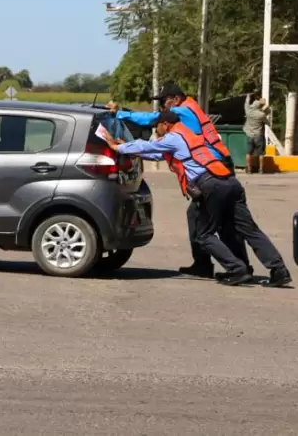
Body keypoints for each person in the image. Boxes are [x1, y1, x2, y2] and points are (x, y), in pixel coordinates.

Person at [100, 110, 291, 287]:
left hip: (211, 185)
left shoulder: (174, 137)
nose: (155, 131)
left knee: (204, 234)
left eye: (156, 127)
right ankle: (279, 270)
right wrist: (125, 147)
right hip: (230, 183)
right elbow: (157, 154)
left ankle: (237, 268)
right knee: (249, 230)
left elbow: (149, 146)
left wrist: (118, 147)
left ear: (165, 124)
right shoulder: (188, 134)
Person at [109, 82, 250, 279]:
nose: (163, 108)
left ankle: (235, 267)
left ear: (174, 99)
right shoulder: (189, 111)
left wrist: (121, 115)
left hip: (212, 173)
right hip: (215, 169)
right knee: (211, 220)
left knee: (213, 226)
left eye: (164, 102)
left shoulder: (182, 112)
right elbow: (156, 151)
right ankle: (218, 265)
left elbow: (152, 121)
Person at [243, 94, 271, 174]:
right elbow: (268, 123)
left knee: (249, 153)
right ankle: (261, 169)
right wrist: (265, 111)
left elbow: (246, 103)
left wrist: (248, 96)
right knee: (261, 153)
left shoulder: (248, 111)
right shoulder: (261, 115)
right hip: (258, 135)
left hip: (249, 134)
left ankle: (249, 169)